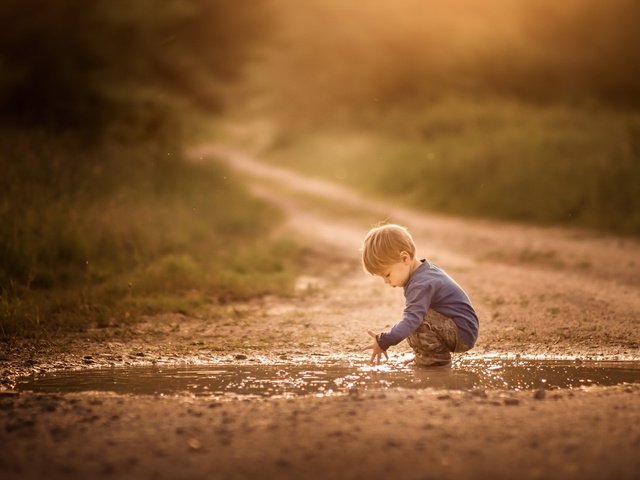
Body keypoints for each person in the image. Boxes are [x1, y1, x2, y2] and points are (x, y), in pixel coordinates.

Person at [360, 223, 479, 366]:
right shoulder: (423, 272)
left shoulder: (420, 284)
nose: (386, 281)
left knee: (412, 320)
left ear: (405, 258)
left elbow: (412, 321)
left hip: (461, 332)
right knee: (413, 317)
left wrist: (384, 341)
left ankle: (435, 360)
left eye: (387, 275)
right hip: (459, 328)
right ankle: (426, 355)